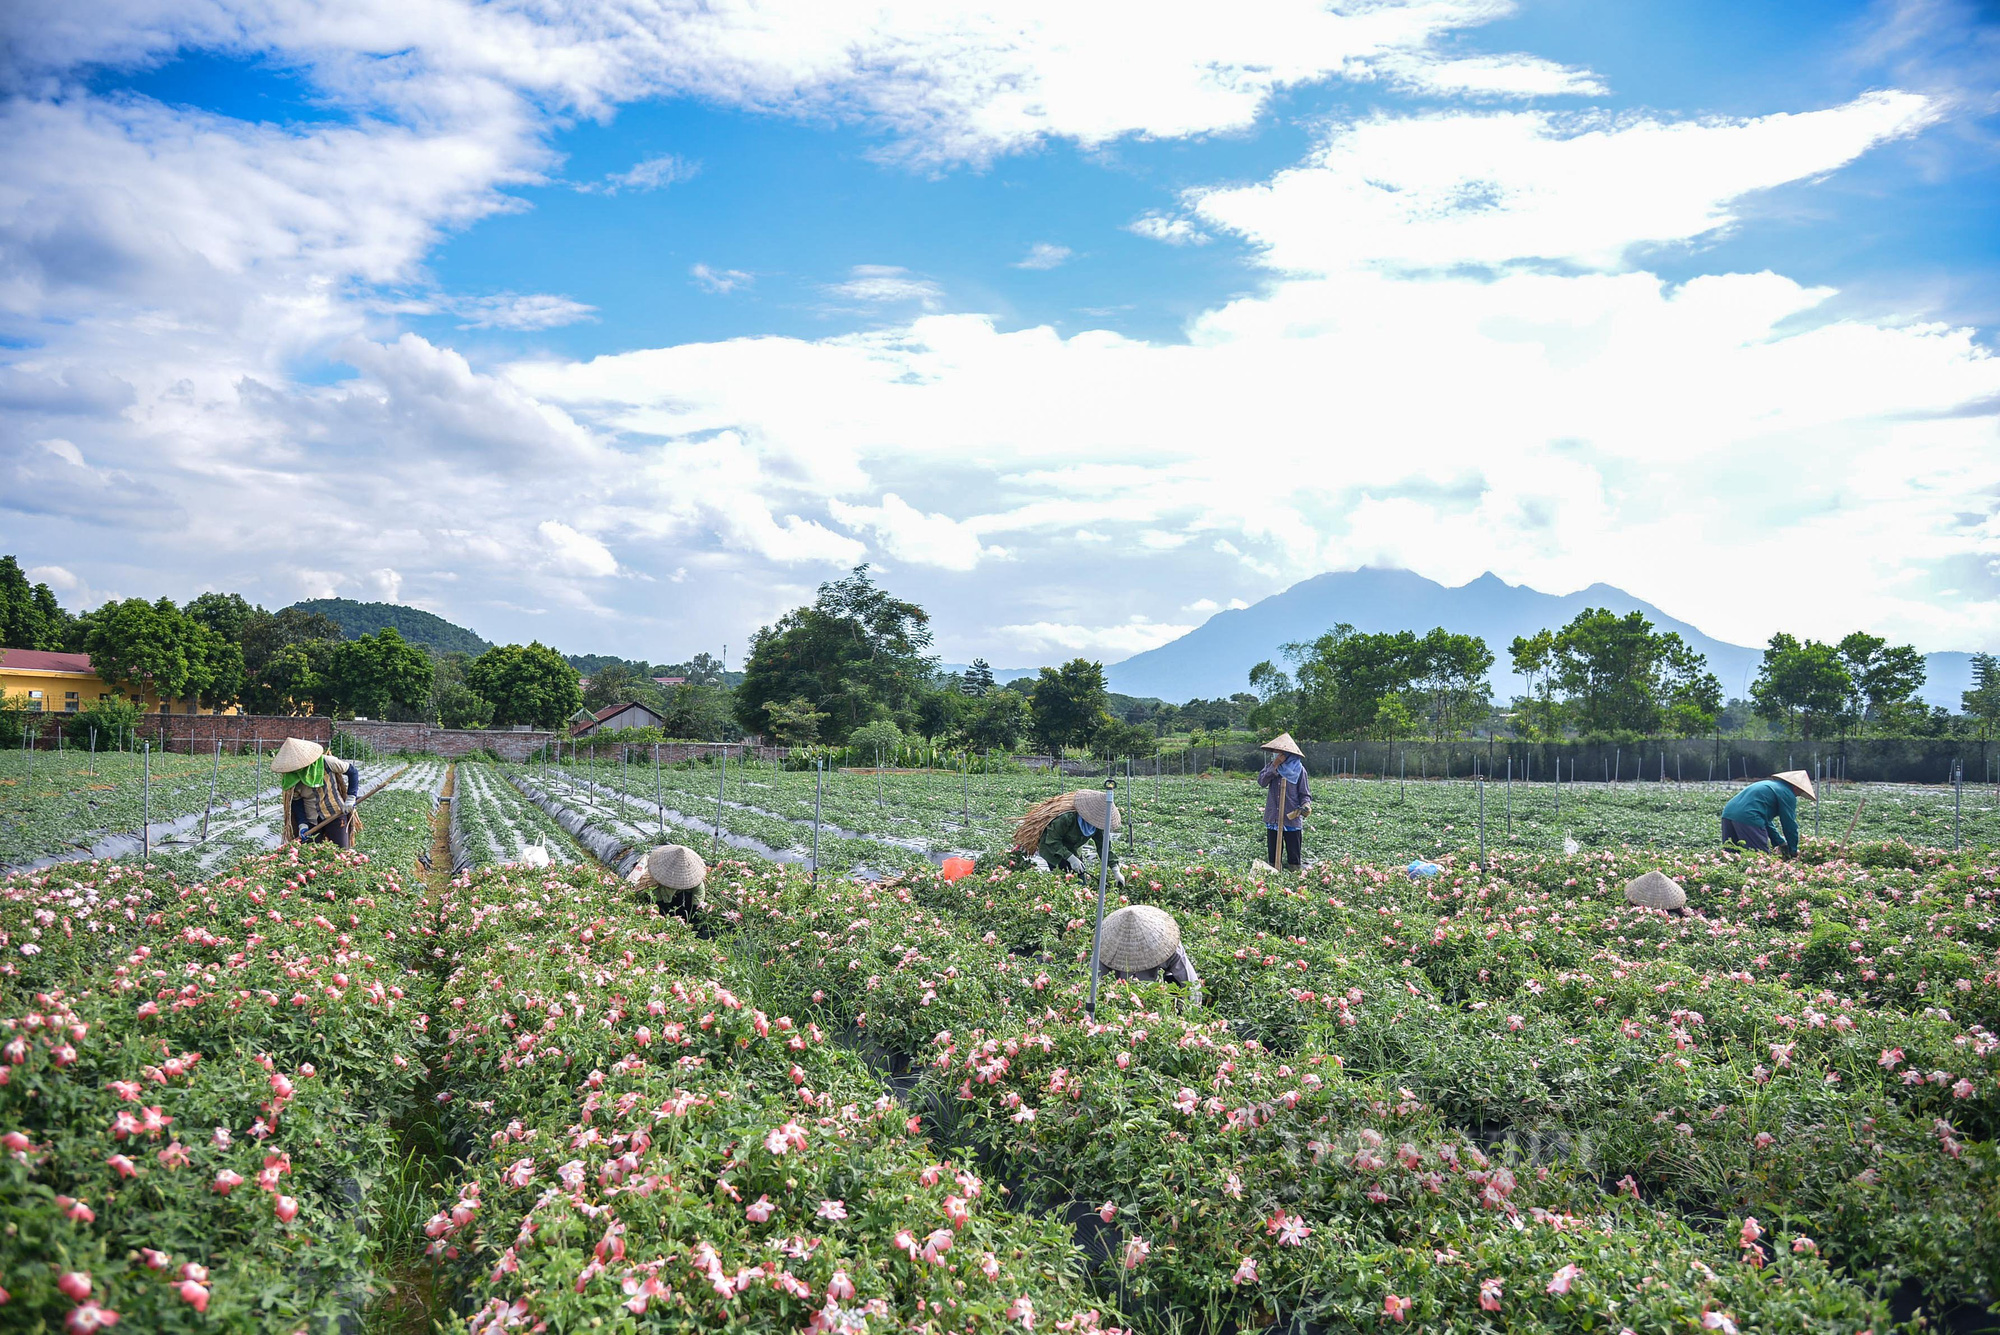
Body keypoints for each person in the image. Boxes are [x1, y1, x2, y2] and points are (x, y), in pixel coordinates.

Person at [1009, 788, 1124, 885]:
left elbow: (1104, 848)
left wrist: (1115, 870)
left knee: (1080, 881)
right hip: (1053, 850)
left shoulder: (1097, 825)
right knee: (1064, 882)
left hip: (1073, 849)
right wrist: (1071, 858)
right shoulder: (1066, 818)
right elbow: (1052, 841)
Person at [1096, 904, 1200, 1004]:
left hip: (1157, 996)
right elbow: (1094, 983)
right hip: (1120, 998)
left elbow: (1190, 985)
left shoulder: (1168, 944)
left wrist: (1187, 1014)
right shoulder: (1105, 945)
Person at [272, 737, 359, 848]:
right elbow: (297, 801)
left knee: (341, 851)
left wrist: (351, 797)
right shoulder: (291, 777)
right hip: (311, 820)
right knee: (309, 855)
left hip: (335, 812)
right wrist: (302, 823)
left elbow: (352, 772)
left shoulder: (326, 762)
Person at [1720, 770, 1814, 859]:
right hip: (1749, 816)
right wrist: (1793, 849)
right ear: (1796, 787)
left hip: (1728, 813)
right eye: (1800, 792)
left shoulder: (1770, 785)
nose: (1797, 795)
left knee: (1731, 855)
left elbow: (1766, 822)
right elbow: (1789, 824)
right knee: (1759, 857)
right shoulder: (1787, 793)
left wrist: (1779, 842)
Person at [1257, 732, 1311, 870]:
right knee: (1274, 856)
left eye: (1278, 752)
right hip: (1273, 818)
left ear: (1286, 753)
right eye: (1274, 752)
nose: (1275, 754)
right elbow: (1262, 782)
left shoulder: (1299, 771)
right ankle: (1275, 881)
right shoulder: (1271, 767)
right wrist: (1274, 765)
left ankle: (1294, 880)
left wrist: (1306, 805)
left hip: (1291, 818)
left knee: (1294, 856)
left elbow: (1305, 794)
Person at [628, 843, 707, 921]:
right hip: (662, 899)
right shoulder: (655, 881)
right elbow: (658, 901)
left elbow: (697, 902)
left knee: (688, 906)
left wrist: (691, 919)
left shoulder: (696, 881)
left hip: (681, 900)